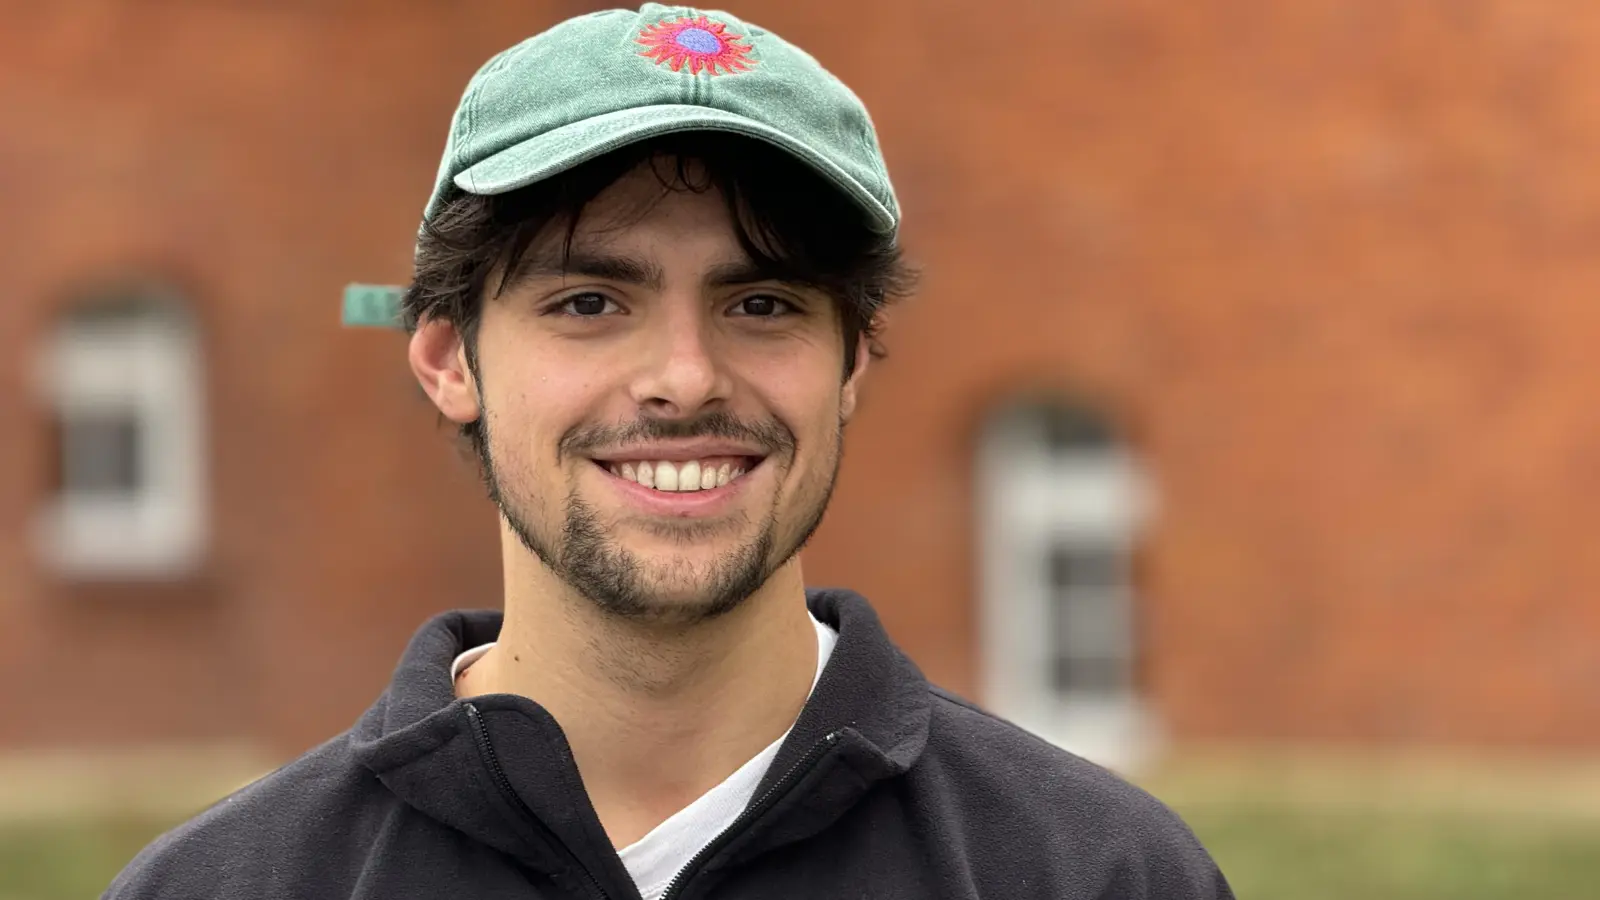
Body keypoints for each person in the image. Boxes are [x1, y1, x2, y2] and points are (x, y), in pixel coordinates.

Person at [106, 4, 1233, 898]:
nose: (685, 377)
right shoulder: (223, 886)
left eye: (762, 304)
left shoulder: (1095, 874)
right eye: (592, 302)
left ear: (852, 363)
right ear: (448, 361)